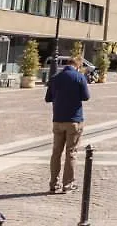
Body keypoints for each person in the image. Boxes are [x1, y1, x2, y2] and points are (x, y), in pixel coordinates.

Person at [45, 56, 90, 194]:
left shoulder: (55, 78)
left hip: (58, 120)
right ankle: (67, 184)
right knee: (71, 153)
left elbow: (48, 98)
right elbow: (86, 96)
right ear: (77, 65)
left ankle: (54, 184)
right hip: (74, 120)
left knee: (56, 153)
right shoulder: (79, 77)